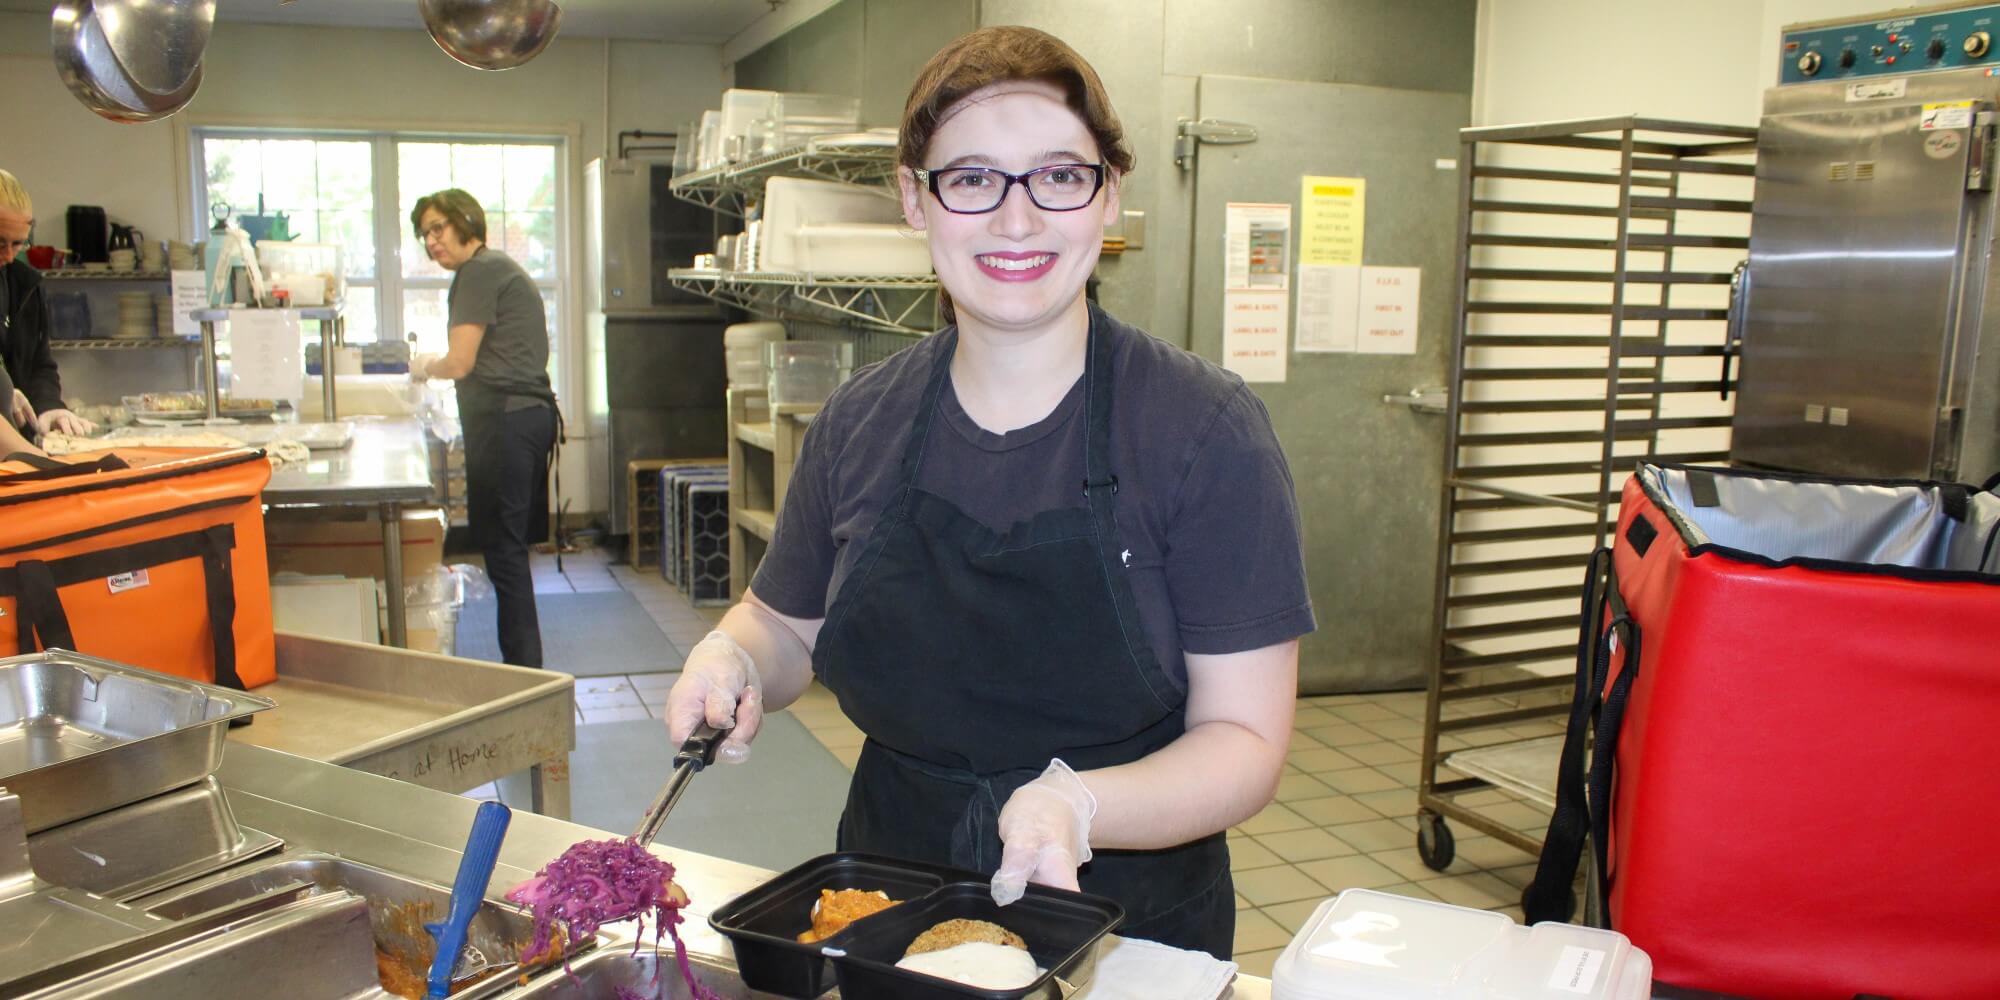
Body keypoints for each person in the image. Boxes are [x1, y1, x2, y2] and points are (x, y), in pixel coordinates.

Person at [665, 26, 1313, 959]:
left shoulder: (1202, 431)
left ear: (1109, 195)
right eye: (972, 179)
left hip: (1124, 926)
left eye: (1057, 175)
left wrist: (1080, 803)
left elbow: (1245, 738)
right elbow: (785, 627)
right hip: (885, 904)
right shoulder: (860, 421)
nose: (1017, 221)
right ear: (914, 202)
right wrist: (729, 659)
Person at [407, 189, 557, 668]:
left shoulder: (478, 272)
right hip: (525, 416)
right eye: (424, 235)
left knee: (504, 551)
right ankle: (523, 666)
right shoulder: (496, 269)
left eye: (437, 228)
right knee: (507, 549)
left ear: (464, 221)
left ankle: (524, 673)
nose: (431, 242)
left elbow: (460, 361)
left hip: (507, 419)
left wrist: (421, 366)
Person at [0, 169, 95, 441]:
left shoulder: (25, 285)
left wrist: (49, 407)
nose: (8, 255)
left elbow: (39, 364)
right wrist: (4, 392)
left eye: (18, 243)